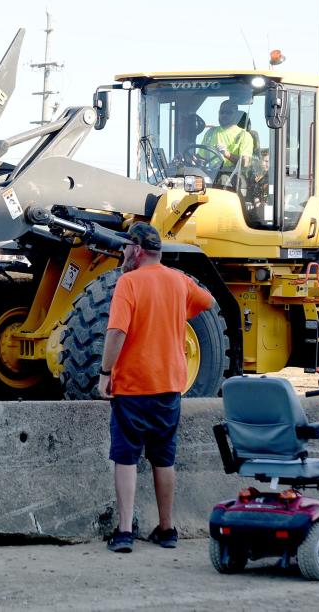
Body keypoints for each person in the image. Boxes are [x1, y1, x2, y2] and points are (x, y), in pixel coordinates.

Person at [98, 222, 214, 553]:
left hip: (132, 387)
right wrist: (177, 310)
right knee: (164, 458)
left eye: (125, 248)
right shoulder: (178, 281)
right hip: (168, 387)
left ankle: (123, 533)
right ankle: (167, 529)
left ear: (137, 250)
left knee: (126, 457)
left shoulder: (128, 282)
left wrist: (105, 372)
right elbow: (206, 301)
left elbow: (117, 332)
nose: (122, 252)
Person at [200, 100, 253, 179]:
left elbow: (245, 162)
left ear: (236, 114)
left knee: (223, 179)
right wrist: (188, 158)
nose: (224, 115)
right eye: (222, 112)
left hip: (233, 178)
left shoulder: (244, 135)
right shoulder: (210, 133)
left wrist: (227, 154)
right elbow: (201, 158)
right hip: (211, 175)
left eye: (228, 112)